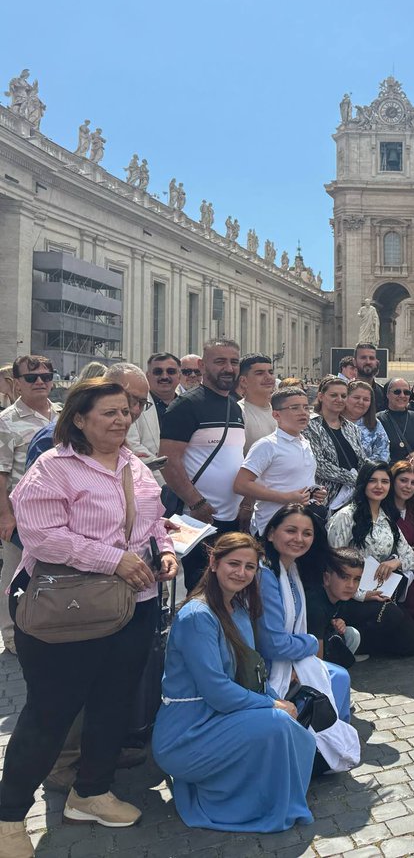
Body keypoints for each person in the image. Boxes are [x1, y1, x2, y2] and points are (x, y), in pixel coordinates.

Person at [1, 380, 177, 839]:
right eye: (110, 413)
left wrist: (164, 548)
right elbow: (40, 536)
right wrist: (113, 559)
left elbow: (152, 518)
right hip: (68, 609)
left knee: (113, 704)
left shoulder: (133, 464)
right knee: (50, 713)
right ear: (79, 418)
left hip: (134, 605)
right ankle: (8, 817)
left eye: (126, 411)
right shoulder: (53, 468)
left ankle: (91, 792)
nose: (122, 420)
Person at [153, 534, 314, 833]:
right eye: (234, 563)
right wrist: (273, 704)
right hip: (188, 732)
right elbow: (217, 691)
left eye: (250, 567)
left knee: (294, 730)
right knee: (277, 724)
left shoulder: (238, 608)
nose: (241, 573)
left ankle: (259, 796)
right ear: (214, 563)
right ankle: (245, 801)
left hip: (219, 717)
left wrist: (276, 698)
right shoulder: (196, 616)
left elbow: (251, 674)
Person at [160, 339, 247, 590]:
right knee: (201, 590)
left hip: (231, 518)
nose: (228, 368)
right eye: (220, 361)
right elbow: (169, 460)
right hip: (199, 519)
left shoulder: (234, 406)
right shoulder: (186, 405)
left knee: (229, 589)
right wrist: (196, 503)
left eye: (233, 362)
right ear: (202, 365)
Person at [256, 504, 353, 724]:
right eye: (291, 531)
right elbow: (273, 644)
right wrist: (310, 642)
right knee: (336, 678)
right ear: (271, 533)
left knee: (339, 676)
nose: (299, 539)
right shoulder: (266, 576)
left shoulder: (293, 571)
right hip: (266, 667)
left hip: (289, 659)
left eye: (307, 533)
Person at [325, 462, 414, 656]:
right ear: (363, 483)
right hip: (348, 596)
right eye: (373, 481)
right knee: (392, 615)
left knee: (412, 643)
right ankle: (343, 638)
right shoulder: (346, 517)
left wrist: (394, 562)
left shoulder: (387, 518)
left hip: (379, 593)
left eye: (385, 481)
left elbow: (410, 558)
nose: (379, 486)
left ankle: (355, 642)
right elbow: (334, 564)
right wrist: (362, 594)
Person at [0, 354, 59, 653]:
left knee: (47, 572)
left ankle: (44, 624)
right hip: (20, 513)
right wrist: (5, 516)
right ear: (17, 383)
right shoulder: (6, 421)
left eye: (46, 377)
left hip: (58, 512)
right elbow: (1, 473)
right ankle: (10, 634)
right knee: (15, 572)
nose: (40, 382)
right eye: (32, 377)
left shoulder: (63, 414)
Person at [234, 386, 323, 537]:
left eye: (306, 407)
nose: (303, 413)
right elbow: (241, 484)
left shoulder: (305, 442)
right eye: (294, 408)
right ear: (276, 414)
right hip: (272, 527)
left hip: (302, 525)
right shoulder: (267, 445)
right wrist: (286, 498)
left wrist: (315, 493)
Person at [302, 376, 365, 513]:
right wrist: (355, 478)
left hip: (353, 499)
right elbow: (319, 465)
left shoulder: (352, 428)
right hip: (323, 499)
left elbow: (361, 460)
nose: (339, 399)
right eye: (334, 395)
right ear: (321, 396)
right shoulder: (310, 425)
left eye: (343, 396)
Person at [378, 377, 414, 464]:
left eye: (406, 392)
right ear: (388, 394)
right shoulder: (378, 419)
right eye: (397, 392)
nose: (402, 395)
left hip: (411, 473)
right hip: (387, 472)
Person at [385, 459, 414, 549]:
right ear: (392, 481)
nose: (408, 486)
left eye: (413, 483)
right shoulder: (381, 510)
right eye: (403, 480)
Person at [237, 353, 277, 452]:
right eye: (260, 373)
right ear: (243, 381)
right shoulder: (238, 412)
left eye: (271, 372)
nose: (268, 377)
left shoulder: (282, 410)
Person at [345, 380, 389, 464]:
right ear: (346, 397)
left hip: (368, 474)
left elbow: (383, 453)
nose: (361, 402)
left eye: (366, 399)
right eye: (356, 398)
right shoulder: (334, 421)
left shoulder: (375, 424)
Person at [147, 352, 182, 420]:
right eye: (158, 372)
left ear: (179, 376)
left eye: (171, 371)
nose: (164, 377)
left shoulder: (188, 405)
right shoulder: (137, 406)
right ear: (148, 376)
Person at [352, 343, 386, 411]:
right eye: (363, 358)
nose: (368, 362)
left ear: (376, 362)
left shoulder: (384, 394)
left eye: (371, 358)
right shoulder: (344, 392)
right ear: (354, 362)